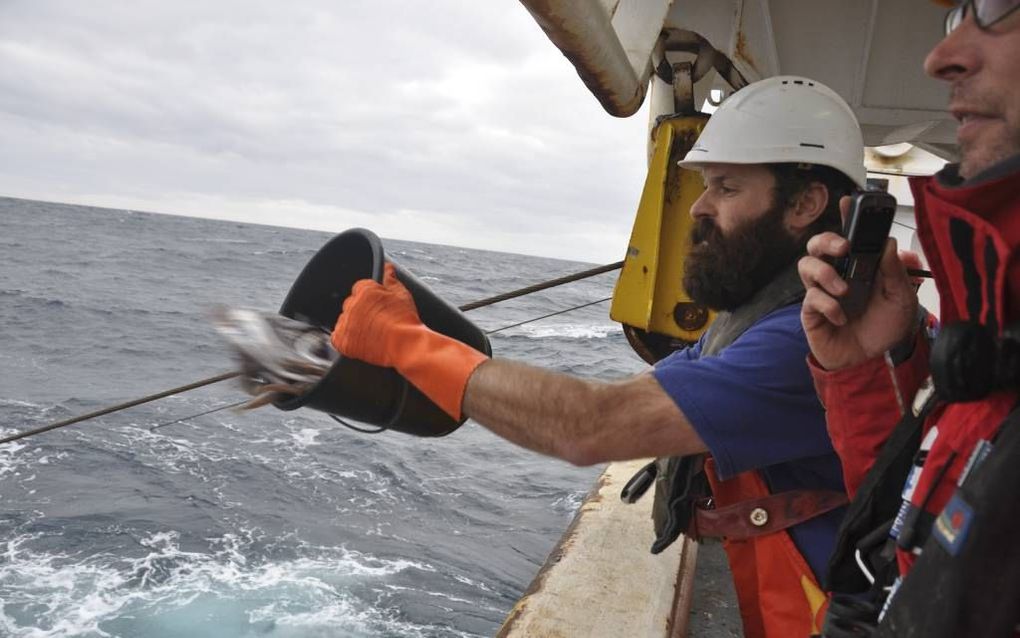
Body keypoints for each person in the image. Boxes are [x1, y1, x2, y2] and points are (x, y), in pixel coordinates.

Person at [332, 76, 864, 638]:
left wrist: (404, 342)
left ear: (805, 203)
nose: (698, 209)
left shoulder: (810, 336)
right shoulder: (764, 315)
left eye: (726, 188)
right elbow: (636, 396)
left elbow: (591, 426)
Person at [797, 1, 1020, 635]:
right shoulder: (990, 337)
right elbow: (905, 539)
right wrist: (874, 363)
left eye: (1000, 6)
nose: (938, 59)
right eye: (955, 17)